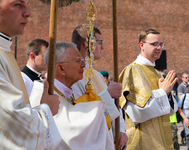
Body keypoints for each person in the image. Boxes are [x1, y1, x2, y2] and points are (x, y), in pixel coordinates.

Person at [30, 41, 115, 150]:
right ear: (61, 68)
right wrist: (98, 108)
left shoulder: (70, 90)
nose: (83, 65)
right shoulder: (44, 95)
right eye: (78, 61)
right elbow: (68, 136)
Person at [0, 0, 61, 149]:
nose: (28, 13)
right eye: (17, 4)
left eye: (27, 4)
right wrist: (46, 109)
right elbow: (11, 124)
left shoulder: (5, 50)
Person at [71, 24, 128, 149]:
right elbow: (79, 113)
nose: (103, 47)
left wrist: (121, 129)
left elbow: (113, 109)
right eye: (99, 42)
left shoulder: (96, 75)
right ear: (87, 44)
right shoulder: (74, 76)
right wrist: (107, 94)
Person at [119, 29, 178, 150]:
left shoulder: (157, 73)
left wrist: (166, 94)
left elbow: (170, 111)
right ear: (142, 45)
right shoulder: (132, 70)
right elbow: (137, 114)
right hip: (141, 141)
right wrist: (162, 92)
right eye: (154, 44)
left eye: (161, 44)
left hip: (160, 140)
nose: (159, 47)